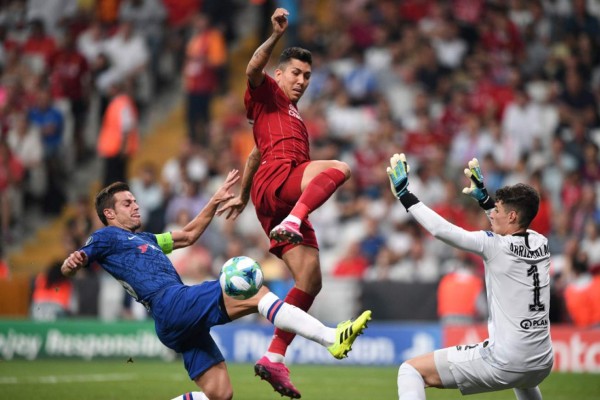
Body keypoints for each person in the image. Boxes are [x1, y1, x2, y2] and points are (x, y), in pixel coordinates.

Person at [61, 170, 371, 400]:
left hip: (172, 320)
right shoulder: (106, 237)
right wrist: (72, 263)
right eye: (127, 203)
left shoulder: (146, 239)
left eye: (135, 200)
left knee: (220, 395)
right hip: (170, 302)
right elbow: (80, 258)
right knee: (254, 291)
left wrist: (214, 199)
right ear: (109, 213)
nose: (136, 206)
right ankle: (331, 337)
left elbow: (188, 235)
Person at [216, 8, 351, 398]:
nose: (302, 81)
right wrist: (274, 36)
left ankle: (274, 356)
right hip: (282, 183)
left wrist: (242, 195)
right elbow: (251, 69)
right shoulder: (266, 92)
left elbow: (256, 152)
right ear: (280, 74)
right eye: (295, 73)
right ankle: (294, 218)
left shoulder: (287, 115)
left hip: (274, 192)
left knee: (310, 280)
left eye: (307, 76)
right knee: (339, 167)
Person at [386, 154, 553, 400]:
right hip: (542, 362)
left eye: (498, 210)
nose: (492, 214)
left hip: (506, 361)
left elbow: (442, 231)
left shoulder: (494, 246)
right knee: (524, 380)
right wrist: (486, 201)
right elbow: (510, 231)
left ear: (512, 216)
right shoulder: (542, 242)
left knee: (410, 370)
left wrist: (405, 195)